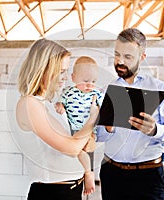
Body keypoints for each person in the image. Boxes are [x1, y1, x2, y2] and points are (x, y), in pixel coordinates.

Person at [96, 28, 164, 200]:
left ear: (142, 57)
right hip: (112, 174)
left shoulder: (160, 88)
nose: (120, 61)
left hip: (148, 177)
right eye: (117, 54)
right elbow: (98, 137)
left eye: (128, 57)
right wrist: (108, 128)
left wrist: (155, 130)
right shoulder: (107, 90)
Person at [15, 38, 98, 200]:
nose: (65, 77)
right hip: (53, 193)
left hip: (70, 190)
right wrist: (92, 118)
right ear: (42, 70)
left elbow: (78, 146)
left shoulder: (48, 105)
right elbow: (71, 148)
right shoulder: (29, 104)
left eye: (66, 71)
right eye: (61, 71)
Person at [55, 56, 104, 195]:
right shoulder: (68, 93)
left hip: (88, 132)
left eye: (93, 81)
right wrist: (60, 105)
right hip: (71, 131)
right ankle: (83, 176)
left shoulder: (96, 94)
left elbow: (105, 110)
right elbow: (60, 103)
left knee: (83, 151)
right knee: (75, 154)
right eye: (86, 81)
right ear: (73, 77)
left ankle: (89, 173)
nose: (90, 85)